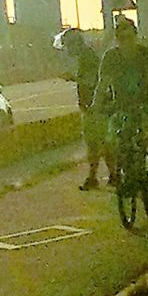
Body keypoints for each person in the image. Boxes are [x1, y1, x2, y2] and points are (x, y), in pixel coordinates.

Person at [92, 14, 148, 182]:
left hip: (145, 103)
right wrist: (96, 104)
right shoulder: (110, 57)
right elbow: (103, 84)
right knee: (111, 138)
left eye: (129, 37)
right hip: (120, 105)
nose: (126, 42)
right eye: (121, 38)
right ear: (117, 39)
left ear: (135, 36)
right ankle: (118, 170)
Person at [56, 27, 110, 191]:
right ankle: (111, 175)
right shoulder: (87, 56)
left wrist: (73, 78)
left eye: (68, 46)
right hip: (94, 105)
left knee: (95, 143)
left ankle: (95, 177)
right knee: (102, 142)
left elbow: (93, 81)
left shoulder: (88, 58)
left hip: (95, 106)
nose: (67, 50)